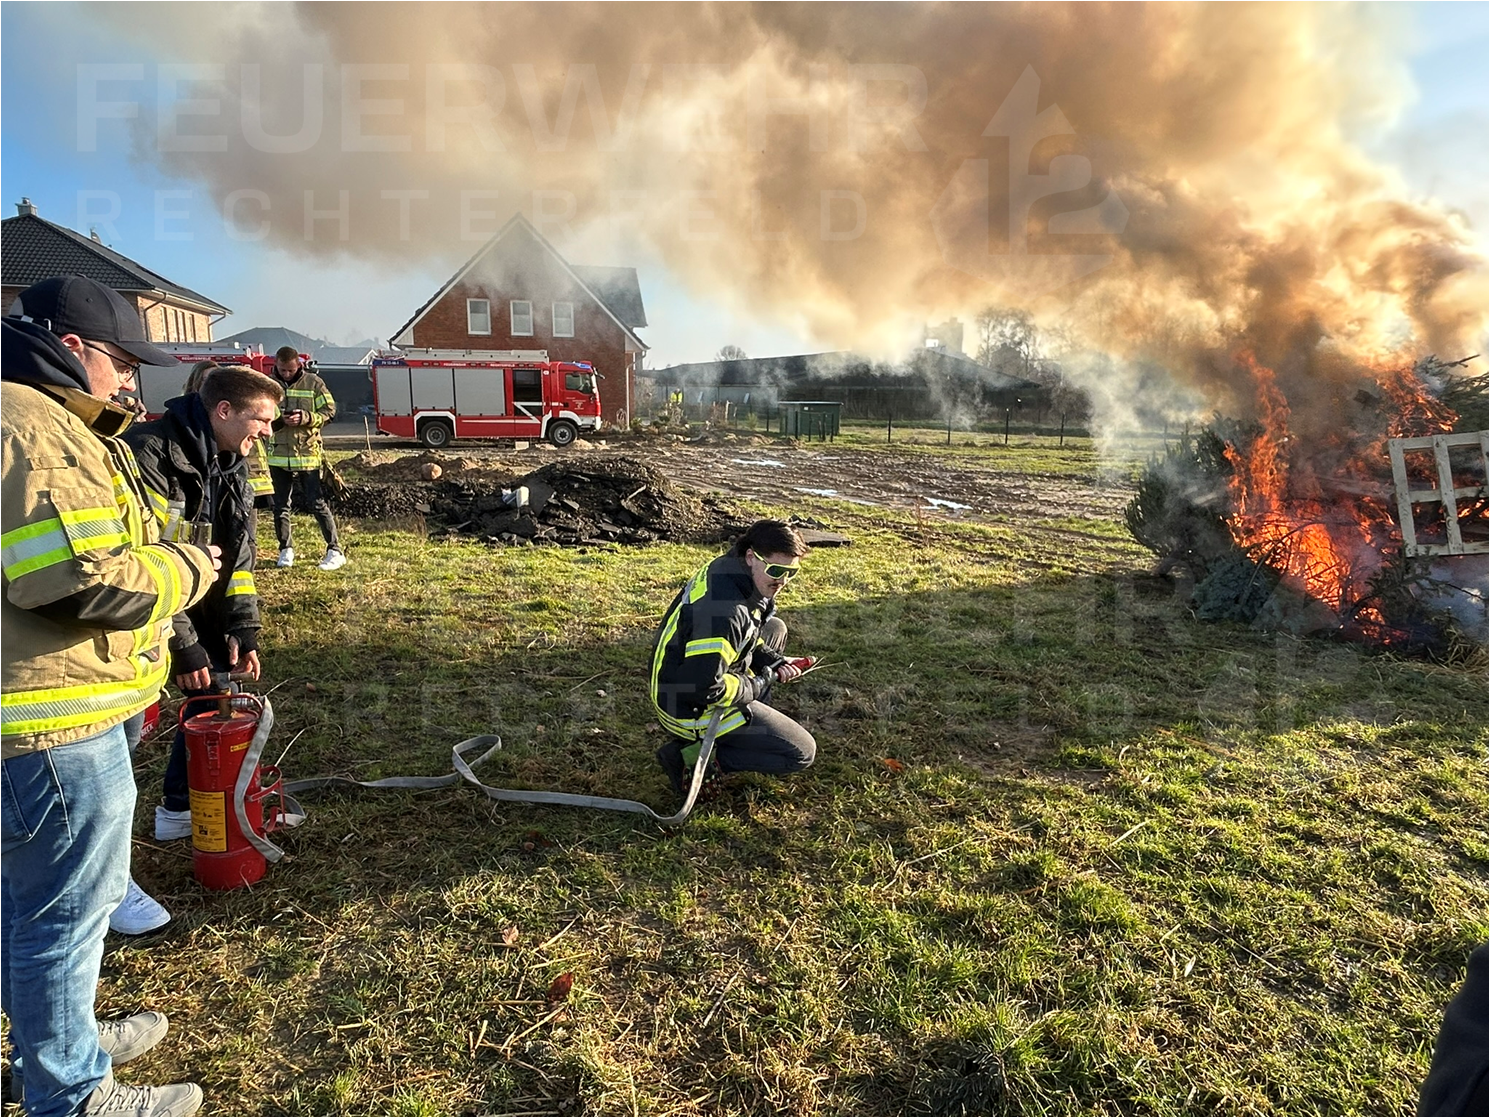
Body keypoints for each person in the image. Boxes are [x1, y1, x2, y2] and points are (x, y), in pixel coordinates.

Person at [2, 275, 218, 1117]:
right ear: (71, 345)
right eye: (123, 361)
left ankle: (55, 1049)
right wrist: (193, 568)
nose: (132, 382)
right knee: (64, 913)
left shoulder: (44, 419)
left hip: (43, 715)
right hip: (50, 724)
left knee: (31, 906)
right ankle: (72, 1093)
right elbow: (77, 577)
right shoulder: (30, 423)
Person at [117, 365, 282, 931]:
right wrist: (186, 648)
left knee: (220, 695)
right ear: (224, 410)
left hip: (205, 608)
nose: (267, 434)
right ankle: (138, 840)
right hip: (157, 611)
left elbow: (239, 558)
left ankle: (180, 809)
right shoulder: (149, 453)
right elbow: (152, 560)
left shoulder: (231, 462)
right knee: (125, 738)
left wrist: (243, 628)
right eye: (261, 420)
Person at [650, 519, 816, 795]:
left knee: (776, 628)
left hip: (676, 679)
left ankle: (751, 723)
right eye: (776, 571)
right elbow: (705, 687)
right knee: (801, 753)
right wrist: (758, 684)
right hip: (689, 710)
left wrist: (772, 660)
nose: (783, 581)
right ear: (752, 557)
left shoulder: (730, 566)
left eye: (792, 573)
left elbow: (746, 631)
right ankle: (691, 761)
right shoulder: (726, 614)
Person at [265, 345, 343, 570]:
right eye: (282, 370)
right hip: (278, 455)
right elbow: (260, 415)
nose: (286, 374)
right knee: (280, 506)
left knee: (316, 503)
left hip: (308, 454)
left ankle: (334, 549)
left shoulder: (314, 384)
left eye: (290, 370)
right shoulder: (269, 386)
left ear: (299, 365)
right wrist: (280, 422)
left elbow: (329, 412)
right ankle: (285, 549)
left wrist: (306, 417)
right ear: (276, 366)